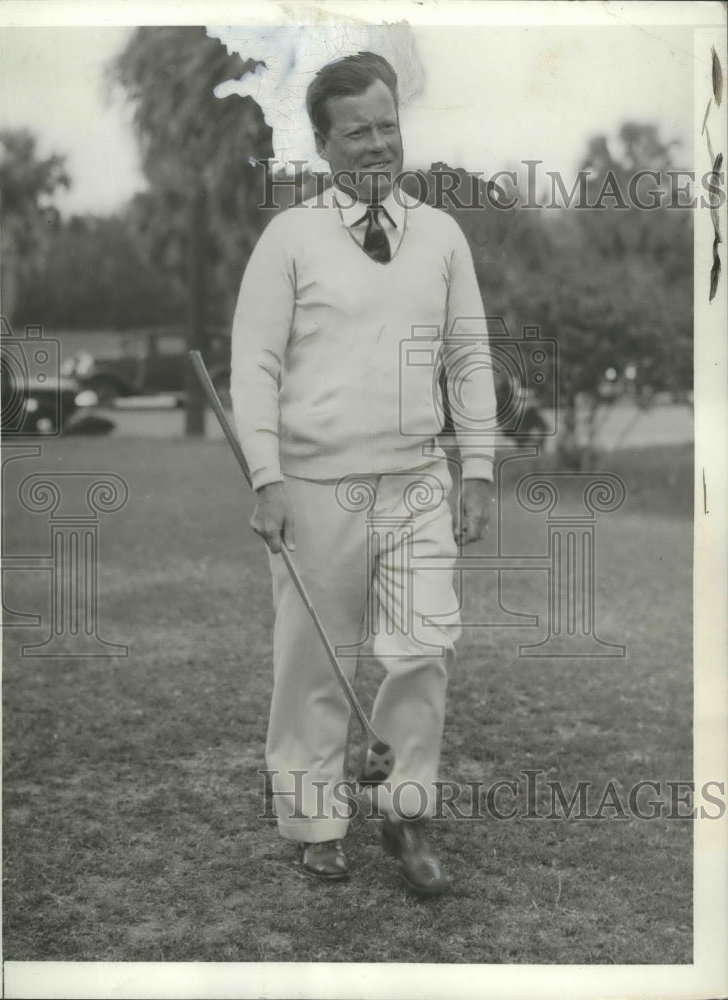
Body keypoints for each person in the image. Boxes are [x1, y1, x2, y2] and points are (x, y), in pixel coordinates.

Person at [230, 52, 496, 895]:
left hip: (419, 479)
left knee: (425, 648)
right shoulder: (290, 237)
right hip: (312, 486)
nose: (378, 145)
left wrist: (480, 465)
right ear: (322, 144)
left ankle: (405, 813)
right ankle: (316, 825)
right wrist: (266, 477)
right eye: (358, 132)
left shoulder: (443, 235)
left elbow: (469, 356)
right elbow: (254, 366)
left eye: (388, 126)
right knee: (314, 660)